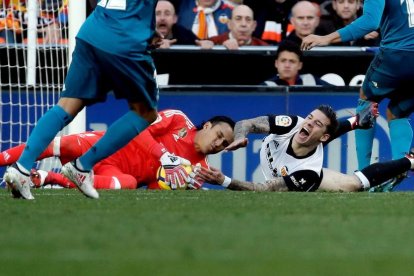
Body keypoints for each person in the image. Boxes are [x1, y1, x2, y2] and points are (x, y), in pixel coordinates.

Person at [3, 1, 164, 200]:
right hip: (125, 39)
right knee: (145, 112)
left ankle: (21, 168)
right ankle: (82, 166)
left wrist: (146, 28)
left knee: (67, 105)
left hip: (92, 30)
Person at [301, 0, 414, 191]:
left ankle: (365, 176)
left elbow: (370, 21)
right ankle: (399, 167)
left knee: (367, 99)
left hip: (397, 55)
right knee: (397, 113)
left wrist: (325, 38)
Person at [1, 110, 235, 193]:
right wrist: (163, 155)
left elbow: (154, 189)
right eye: (219, 136)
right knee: (61, 145)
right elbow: (137, 129)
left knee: (129, 184)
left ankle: (45, 177)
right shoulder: (178, 120)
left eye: (224, 144)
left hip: (115, 172)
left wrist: (180, 187)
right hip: (109, 146)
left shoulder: (199, 170)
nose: (219, 144)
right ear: (207, 126)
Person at [197, 103, 414, 192]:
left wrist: (222, 180)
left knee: (354, 185)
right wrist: (241, 137)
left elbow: (262, 189)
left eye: (316, 122)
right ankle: (355, 121)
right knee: (311, 135)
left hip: (299, 169)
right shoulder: (293, 124)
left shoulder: (309, 172)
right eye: (310, 118)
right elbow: (248, 123)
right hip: (303, 148)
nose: (308, 122)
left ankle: (410, 161)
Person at [197, 4, 269, 50]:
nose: (243, 24)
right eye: (238, 19)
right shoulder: (213, 43)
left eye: (248, 19)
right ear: (229, 24)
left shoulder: (264, 48)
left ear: (254, 26)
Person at [262, 40, 332, 86]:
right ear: (276, 63)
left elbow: (339, 92)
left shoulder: (311, 80)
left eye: (292, 61)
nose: (287, 65)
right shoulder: (267, 86)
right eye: (283, 61)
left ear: (300, 65)